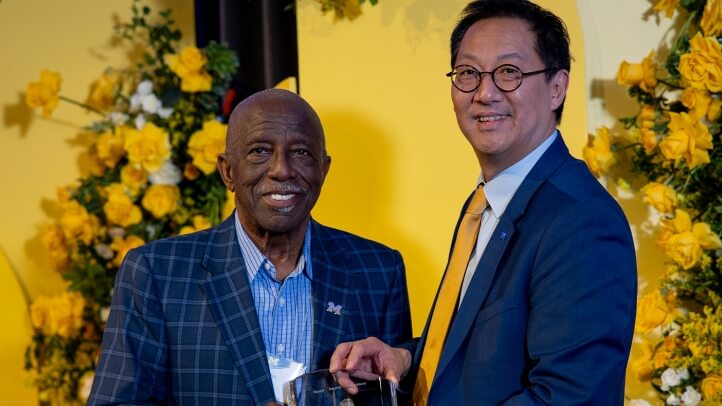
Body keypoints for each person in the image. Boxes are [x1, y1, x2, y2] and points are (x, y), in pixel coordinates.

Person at [330, 0, 637, 404]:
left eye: (509, 72)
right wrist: (405, 359)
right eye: (468, 74)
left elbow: (570, 396)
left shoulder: (581, 220)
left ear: (557, 88)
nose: (484, 93)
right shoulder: (485, 202)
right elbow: (482, 348)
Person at [88, 88, 412, 405]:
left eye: (301, 152)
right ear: (227, 171)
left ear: (323, 170)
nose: (281, 169)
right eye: (260, 151)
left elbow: (399, 396)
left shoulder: (379, 271)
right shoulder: (157, 273)